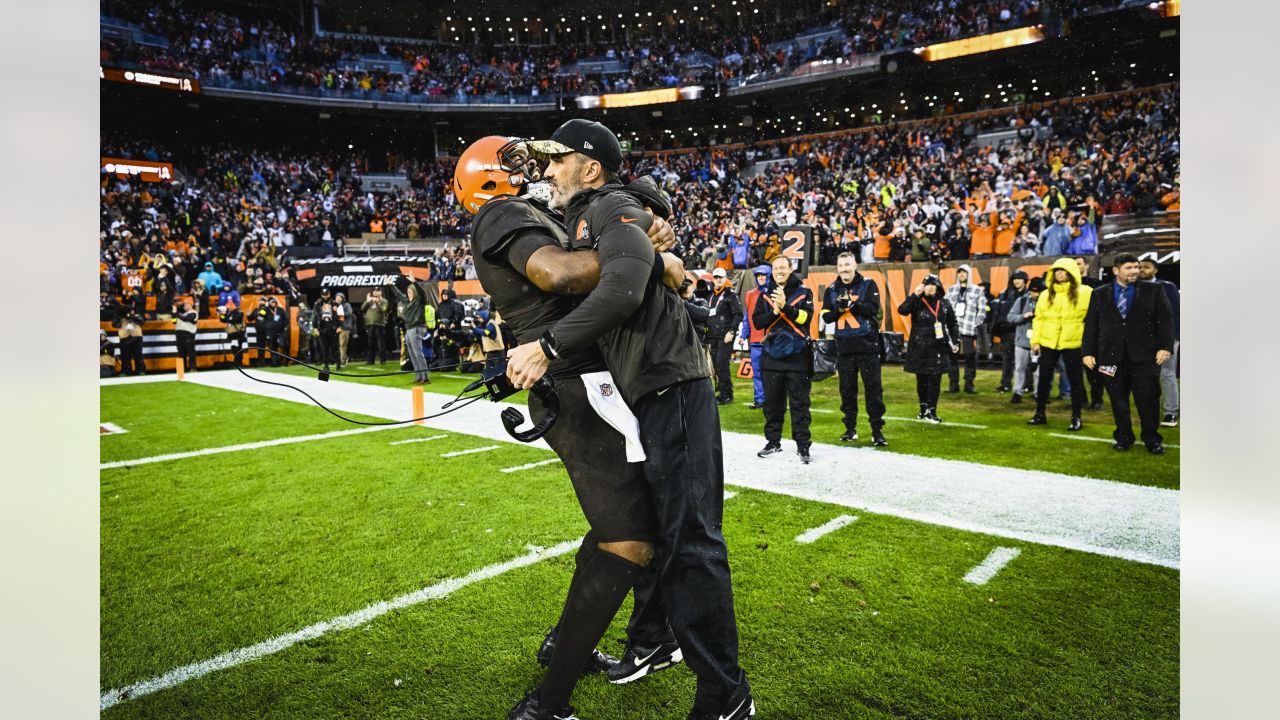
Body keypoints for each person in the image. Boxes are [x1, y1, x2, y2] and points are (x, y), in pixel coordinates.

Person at [506, 120, 755, 720]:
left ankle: (726, 694)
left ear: (589, 168)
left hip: (669, 381)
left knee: (691, 539)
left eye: (557, 160)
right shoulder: (596, 213)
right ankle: (654, 639)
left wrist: (549, 348)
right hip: (649, 386)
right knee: (663, 529)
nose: (546, 172)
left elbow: (621, 285)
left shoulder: (608, 204)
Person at [456, 134, 695, 720]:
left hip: (585, 380)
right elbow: (559, 274)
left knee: (617, 525)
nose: (541, 169)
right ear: (493, 175)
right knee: (630, 538)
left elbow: (622, 211)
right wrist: (645, 255)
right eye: (525, 163)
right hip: (575, 383)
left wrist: (644, 228)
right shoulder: (501, 212)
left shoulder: (543, 211)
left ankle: (565, 643)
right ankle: (550, 704)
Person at [1082, 253, 1176, 454]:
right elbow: (1091, 325)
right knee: (1118, 401)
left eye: (1137, 267)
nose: (1135, 271)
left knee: (1149, 400)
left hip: (1145, 357)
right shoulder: (1099, 293)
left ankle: (1152, 439)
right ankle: (1124, 437)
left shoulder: (1154, 289)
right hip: (1111, 357)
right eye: (1129, 268)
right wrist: (1087, 351)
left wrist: (1165, 346)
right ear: (1116, 270)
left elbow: (1166, 320)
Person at [752, 254, 815, 463]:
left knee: (800, 405)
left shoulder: (804, 292)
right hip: (771, 359)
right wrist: (776, 311)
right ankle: (773, 442)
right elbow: (758, 322)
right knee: (772, 404)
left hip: (798, 358)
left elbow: (806, 318)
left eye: (783, 267)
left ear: (790, 269)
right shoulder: (763, 295)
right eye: (776, 268)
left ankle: (803, 446)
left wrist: (786, 307)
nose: (779, 271)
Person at [821, 252, 887, 446]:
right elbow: (826, 316)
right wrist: (839, 309)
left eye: (848, 265)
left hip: (867, 347)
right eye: (841, 265)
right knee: (847, 392)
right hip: (845, 348)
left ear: (855, 265)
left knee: (873, 391)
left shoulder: (868, 283)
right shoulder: (832, 289)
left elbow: (872, 308)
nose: (844, 269)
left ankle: (877, 431)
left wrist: (853, 304)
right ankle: (850, 429)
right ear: (837, 267)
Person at [1028, 257, 1093, 431]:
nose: (1059, 273)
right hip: (1049, 342)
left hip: (1073, 342)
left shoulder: (1085, 292)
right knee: (1044, 379)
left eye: (1063, 270)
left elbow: (1093, 319)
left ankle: (1076, 417)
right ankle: (1040, 413)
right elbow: (1039, 319)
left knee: (1076, 380)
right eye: (1056, 270)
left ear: (1071, 272)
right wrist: (1035, 340)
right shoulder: (1046, 293)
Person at [899, 274, 960, 423]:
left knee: (935, 379)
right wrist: (914, 294)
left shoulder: (944, 303)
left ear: (938, 287)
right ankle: (923, 409)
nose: (930, 287)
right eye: (927, 284)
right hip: (919, 347)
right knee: (921, 379)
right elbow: (902, 310)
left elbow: (953, 324)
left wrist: (955, 341)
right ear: (923, 286)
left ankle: (932, 411)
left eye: (933, 284)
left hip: (938, 347)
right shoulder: (917, 301)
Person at [1139, 259, 1180, 426]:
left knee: (1166, 374)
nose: (1142, 270)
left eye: (1146, 267)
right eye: (1140, 267)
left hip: (1166, 338)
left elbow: (1176, 313)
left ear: (1155, 270)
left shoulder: (1168, 287)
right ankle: (1150, 410)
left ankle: (1171, 412)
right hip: (1143, 340)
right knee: (1145, 376)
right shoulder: (1134, 287)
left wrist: (1173, 338)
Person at [945, 264, 987, 394]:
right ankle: (953, 384)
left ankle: (969, 384)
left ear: (969, 274)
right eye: (960, 272)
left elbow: (982, 309)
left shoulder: (977, 290)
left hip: (969, 329)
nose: (962, 274)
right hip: (953, 329)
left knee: (970, 356)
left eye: (964, 272)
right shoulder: (951, 290)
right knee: (951, 357)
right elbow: (945, 307)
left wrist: (976, 323)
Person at [385, 276, 431, 384]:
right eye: (408, 291)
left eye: (411, 291)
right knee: (412, 354)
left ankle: (425, 377)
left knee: (418, 353)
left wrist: (415, 282)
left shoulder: (419, 301)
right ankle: (418, 376)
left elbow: (422, 293)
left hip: (416, 328)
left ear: (414, 291)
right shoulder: (407, 301)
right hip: (409, 328)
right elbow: (398, 294)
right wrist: (391, 285)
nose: (409, 292)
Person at [1074, 256, 1107, 410]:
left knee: (1092, 370)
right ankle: (1080, 399)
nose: (1076, 266)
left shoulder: (1096, 285)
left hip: (1091, 333)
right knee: (1074, 371)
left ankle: (1097, 400)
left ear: (1086, 266)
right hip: (1073, 333)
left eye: (1079, 264)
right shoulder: (1069, 286)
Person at [707, 267, 743, 406]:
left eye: (721, 277)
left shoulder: (730, 295)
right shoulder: (711, 296)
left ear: (725, 278)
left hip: (725, 334)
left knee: (722, 364)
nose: (718, 280)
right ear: (713, 279)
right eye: (716, 277)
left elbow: (738, 314)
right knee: (716, 364)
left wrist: (732, 331)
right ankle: (722, 391)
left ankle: (727, 395)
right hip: (713, 335)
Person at [1005, 277, 1045, 404]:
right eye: (1033, 291)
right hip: (1022, 341)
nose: (1035, 294)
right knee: (1019, 368)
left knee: (1038, 371)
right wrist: (1023, 316)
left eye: (1038, 292)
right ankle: (1017, 392)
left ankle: (1039, 393)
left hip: (1038, 341)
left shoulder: (1046, 302)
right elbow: (1010, 317)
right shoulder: (1022, 300)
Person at [990, 270, 1029, 392]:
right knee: (1007, 359)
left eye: (1019, 279)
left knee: (1025, 361)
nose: (1016, 281)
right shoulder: (1006, 294)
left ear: (1025, 281)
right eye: (1014, 279)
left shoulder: (1029, 295)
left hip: (1023, 331)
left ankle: (1027, 385)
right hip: (1008, 332)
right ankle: (1005, 384)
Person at [740, 265, 772, 409]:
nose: (761, 277)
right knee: (757, 372)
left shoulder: (774, 293)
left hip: (771, 340)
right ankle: (759, 400)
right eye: (758, 275)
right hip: (755, 340)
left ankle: (772, 400)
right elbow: (747, 318)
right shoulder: (749, 294)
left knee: (772, 372)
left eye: (763, 275)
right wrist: (743, 334)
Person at [114, 305, 145, 376]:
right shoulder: (121, 317)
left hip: (136, 338)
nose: (131, 311)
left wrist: (131, 317)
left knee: (138, 355)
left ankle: (140, 371)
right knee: (125, 356)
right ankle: (125, 371)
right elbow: (115, 324)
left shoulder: (138, 315)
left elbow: (141, 322)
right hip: (124, 338)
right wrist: (118, 316)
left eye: (131, 310)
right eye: (128, 310)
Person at [362, 289, 389, 364]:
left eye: (377, 291)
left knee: (380, 343)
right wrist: (367, 301)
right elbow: (362, 308)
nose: (375, 292)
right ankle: (371, 360)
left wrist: (377, 302)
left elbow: (383, 310)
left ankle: (382, 360)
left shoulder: (384, 301)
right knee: (370, 343)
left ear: (381, 292)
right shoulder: (370, 300)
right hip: (370, 324)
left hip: (380, 324)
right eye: (374, 291)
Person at [315, 298, 340, 369]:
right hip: (323, 331)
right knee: (324, 349)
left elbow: (341, 316)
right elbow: (315, 316)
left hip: (333, 330)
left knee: (335, 348)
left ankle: (338, 364)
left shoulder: (335, 304)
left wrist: (339, 326)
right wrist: (315, 327)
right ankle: (326, 365)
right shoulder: (317, 305)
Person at [173, 299, 198, 372]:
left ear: (190, 305)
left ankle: (192, 368)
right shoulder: (182, 314)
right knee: (180, 353)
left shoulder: (194, 313)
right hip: (179, 334)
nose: (184, 306)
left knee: (190, 352)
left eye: (185, 304)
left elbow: (186, 319)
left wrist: (176, 312)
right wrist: (173, 314)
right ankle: (181, 369)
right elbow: (173, 321)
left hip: (188, 334)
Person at [218, 300, 245, 365]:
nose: (228, 308)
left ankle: (239, 362)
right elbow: (223, 320)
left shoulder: (238, 312)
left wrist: (228, 319)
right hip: (232, 333)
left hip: (238, 333)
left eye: (228, 307)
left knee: (237, 348)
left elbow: (236, 319)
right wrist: (222, 314)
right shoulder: (229, 313)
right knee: (234, 348)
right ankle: (237, 361)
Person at [334, 292, 354, 369]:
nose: (338, 298)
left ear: (343, 298)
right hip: (336, 328)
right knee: (338, 345)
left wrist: (338, 311)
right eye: (337, 297)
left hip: (344, 328)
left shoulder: (346, 305)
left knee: (342, 345)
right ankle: (343, 358)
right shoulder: (334, 305)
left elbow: (349, 313)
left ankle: (342, 361)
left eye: (340, 297)